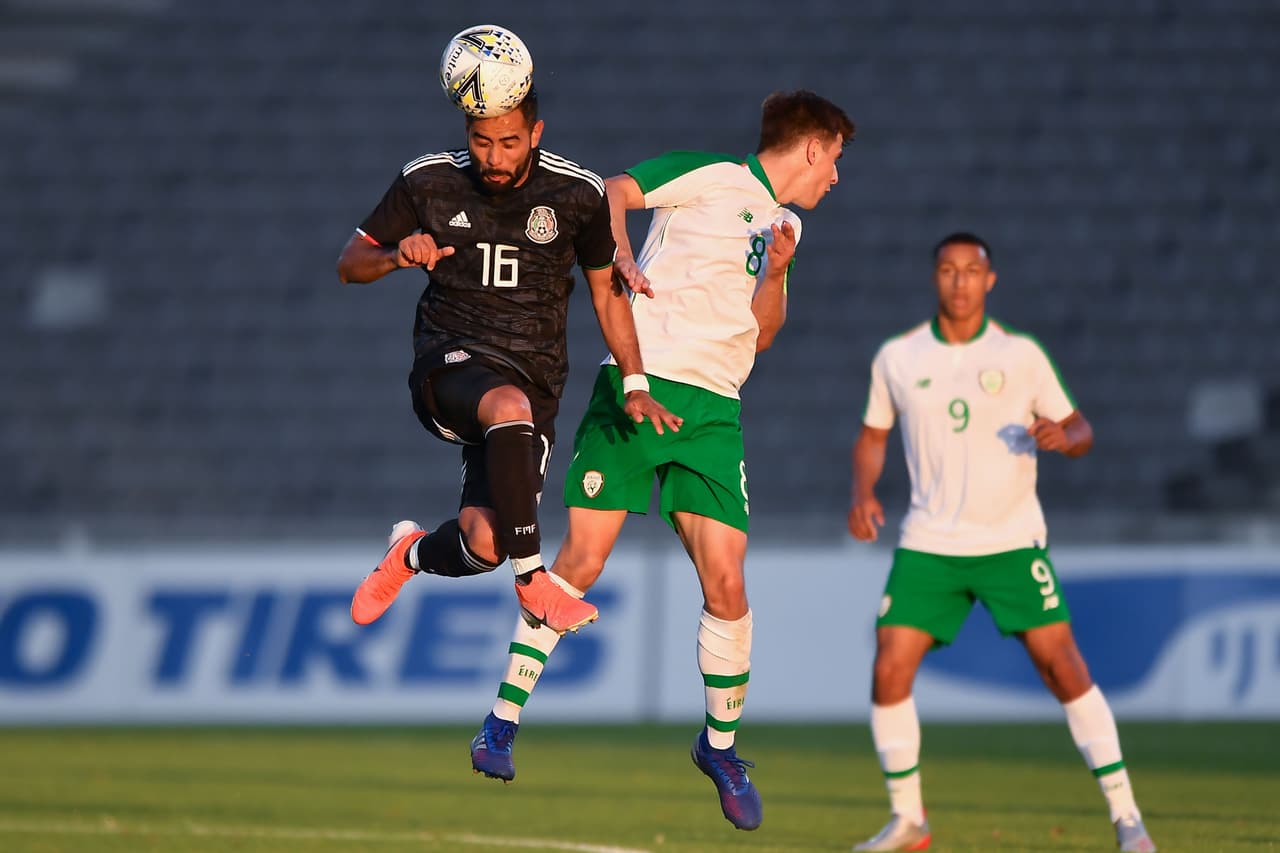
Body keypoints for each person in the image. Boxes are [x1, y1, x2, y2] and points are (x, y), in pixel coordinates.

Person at [467, 90, 856, 833]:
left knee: (729, 583)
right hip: (636, 380)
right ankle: (500, 723)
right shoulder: (710, 172)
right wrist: (615, 247)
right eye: (835, 159)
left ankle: (720, 748)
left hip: (713, 412)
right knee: (581, 562)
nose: (835, 176)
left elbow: (763, 334)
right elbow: (612, 189)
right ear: (814, 145)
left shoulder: (787, 226)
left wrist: (775, 271)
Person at [846, 233, 1156, 852]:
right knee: (889, 666)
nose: (959, 281)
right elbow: (873, 436)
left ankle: (1128, 819)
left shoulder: (1021, 356)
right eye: (947, 270)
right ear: (935, 278)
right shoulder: (898, 358)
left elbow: (1079, 424)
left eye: (971, 271)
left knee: (1064, 667)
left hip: (1010, 541)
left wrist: (1067, 439)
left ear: (991, 281)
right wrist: (863, 492)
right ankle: (909, 819)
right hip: (930, 542)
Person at [336, 83, 680, 636]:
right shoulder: (428, 181)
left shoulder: (577, 194)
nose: (494, 158)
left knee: (485, 542)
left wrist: (635, 381)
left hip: (535, 383)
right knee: (505, 404)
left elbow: (606, 295)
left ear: (536, 135)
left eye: (510, 143)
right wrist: (397, 255)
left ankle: (409, 554)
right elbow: (350, 263)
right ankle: (533, 579)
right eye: (482, 141)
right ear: (466, 134)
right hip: (449, 362)